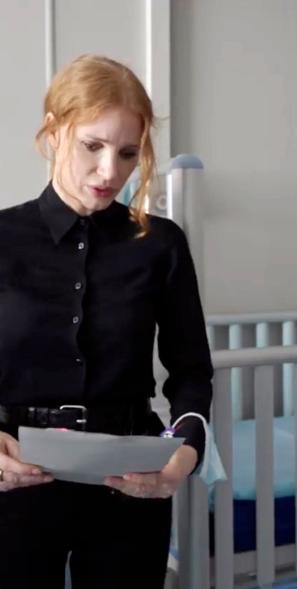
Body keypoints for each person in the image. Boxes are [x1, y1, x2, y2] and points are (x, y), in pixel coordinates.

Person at [0, 54, 213, 589]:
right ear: (53, 132)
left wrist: (185, 452)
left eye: (127, 153)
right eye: (91, 147)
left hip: (127, 480)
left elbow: (191, 372)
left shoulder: (161, 245)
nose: (110, 173)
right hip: (16, 480)